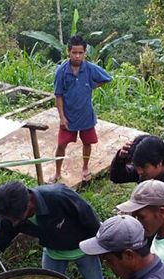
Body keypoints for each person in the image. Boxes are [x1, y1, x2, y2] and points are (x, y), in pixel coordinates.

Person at [50, 34, 112, 184]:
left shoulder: (90, 68)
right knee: (61, 145)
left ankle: (85, 167)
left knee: (87, 143)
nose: (77, 56)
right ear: (68, 52)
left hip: (85, 115)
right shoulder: (62, 71)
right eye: (74, 52)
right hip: (68, 116)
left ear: (85, 53)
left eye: (81, 53)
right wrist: (62, 117)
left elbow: (107, 78)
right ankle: (57, 172)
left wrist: (92, 85)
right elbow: (58, 95)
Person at [110, 134, 164, 218]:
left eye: (143, 167)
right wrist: (120, 158)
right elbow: (117, 177)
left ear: (159, 162)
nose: (139, 172)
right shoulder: (145, 174)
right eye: (136, 166)